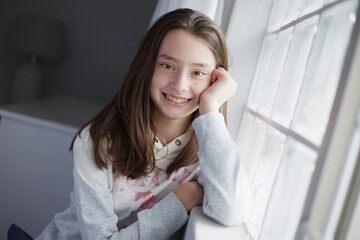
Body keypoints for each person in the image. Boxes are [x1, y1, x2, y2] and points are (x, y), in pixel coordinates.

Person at [35, 8, 252, 240]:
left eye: (198, 72)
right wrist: (181, 200)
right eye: (168, 66)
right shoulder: (97, 140)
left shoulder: (211, 147)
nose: (179, 85)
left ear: (215, 80)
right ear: (147, 66)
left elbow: (232, 210)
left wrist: (210, 106)